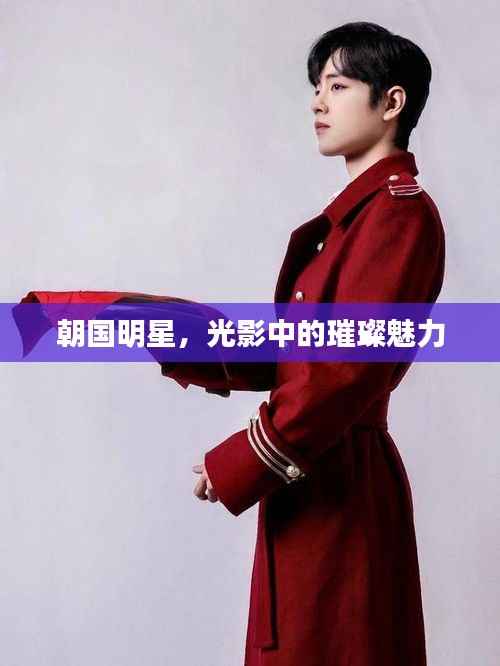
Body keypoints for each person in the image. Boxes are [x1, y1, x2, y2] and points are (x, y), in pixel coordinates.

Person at [163, 20, 445, 666]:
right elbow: (301, 349)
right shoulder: (357, 220)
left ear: (391, 102)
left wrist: (243, 457)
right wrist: (177, 339)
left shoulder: (398, 214)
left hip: (342, 485)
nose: (318, 101)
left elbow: (346, 369)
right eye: (317, 86)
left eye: (338, 86)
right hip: (314, 475)